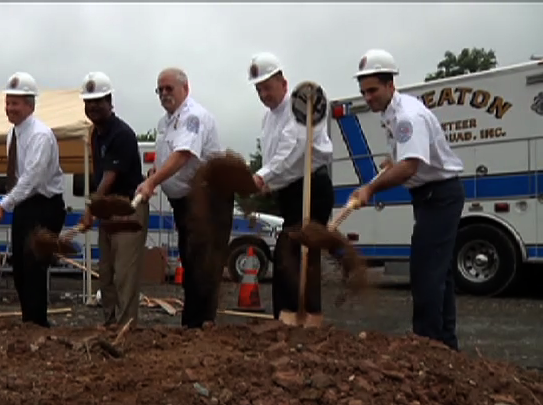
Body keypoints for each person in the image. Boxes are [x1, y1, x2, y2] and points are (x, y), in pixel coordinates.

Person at [349, 49, 465, 350]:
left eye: (373, 90)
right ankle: (446, 346)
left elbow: (410, 166)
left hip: (440, 196)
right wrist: (389, 164)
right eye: (363, 92)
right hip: (430, 196)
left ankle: (425, 345)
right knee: (441, 274)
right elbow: (402, 159)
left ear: (390, 84)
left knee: (426, 273)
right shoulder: (391, 113)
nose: (368, 97)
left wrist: (370, 190)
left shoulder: (407, 116)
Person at [135, 67, 232, 329]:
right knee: (190, 259)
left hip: (207, 197)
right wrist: (155, 173)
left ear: (185, 89)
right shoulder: (164, 123)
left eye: (170, 89)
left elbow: (184, 154)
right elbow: (166, 156)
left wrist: (152, 182)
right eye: (160, 90)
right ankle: (193, 322)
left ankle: (201, 323)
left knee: (202, 261)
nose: (164, 94)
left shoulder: (193, 117)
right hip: (184, 201)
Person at [247, 52, 335, 328]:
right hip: (290, 191)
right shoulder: (268, 118)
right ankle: (290, 317)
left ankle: (301, 318)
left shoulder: (300, 107)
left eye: (267, 87)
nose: (263, 94)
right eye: (258, 89)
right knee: (292, 253)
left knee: (296, 252)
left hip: (311, 187)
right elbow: (277, 156)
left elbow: (293, 149)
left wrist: (262, 177)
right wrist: (270, 182)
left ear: (283, 82)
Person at [0, 72, 66, 328]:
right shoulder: (12, 135)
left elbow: (31, 178)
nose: (10, 108)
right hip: (25, 207)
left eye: (16, 103)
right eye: (8, 102)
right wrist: (11, 203)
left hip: (45, 206)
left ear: (30, 105)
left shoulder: (40, 136)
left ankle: (38, 324)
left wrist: (4, 203)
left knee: (34, 266)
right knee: (20, 267)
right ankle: (28, 321)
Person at [78, 71, 149, 327]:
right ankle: (109, 324)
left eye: (98, 101)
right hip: (108, 212)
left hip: (128, 209)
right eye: (89, 102)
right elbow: (98, 175)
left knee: (124, 275)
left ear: (110, 102)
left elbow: (108, 178)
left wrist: (90, 210)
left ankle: (126, 327)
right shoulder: (95, 134)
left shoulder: (122, 134)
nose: (93, 106)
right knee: (105, 274)